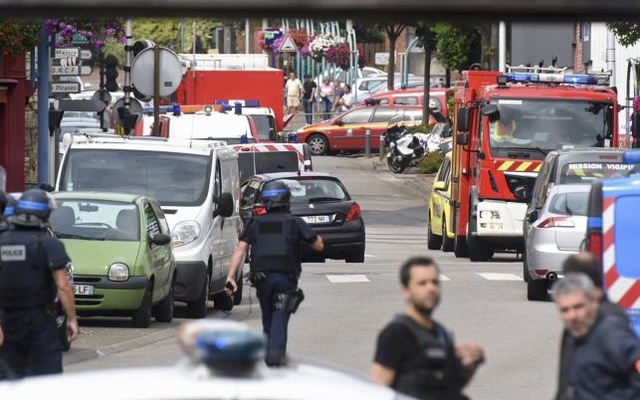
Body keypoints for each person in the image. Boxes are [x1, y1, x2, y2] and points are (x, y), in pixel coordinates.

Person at [224, 180, 324, 366]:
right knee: (280, 315)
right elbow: (318, 245)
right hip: (286, 279)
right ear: (286, 200)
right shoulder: (295, 222)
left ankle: (270, 355)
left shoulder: (255, 223)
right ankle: (275, 357)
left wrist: (231, 277)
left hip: (262, 281)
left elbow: (240, 250)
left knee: (268, 319)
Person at [371, 256, 485, 400]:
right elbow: (378, 391)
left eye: (435, 282)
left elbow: (448, 387)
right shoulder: (396, 334)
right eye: (422, 283)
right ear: (406, 290)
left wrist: (469, 365)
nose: (431, 288)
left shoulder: (441, 333)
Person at [0, 188, 79, 379]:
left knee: (9, 376)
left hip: (8, 321)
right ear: (45, 212)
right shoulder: (49, 244)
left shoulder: (3, 242)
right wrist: (72, 319)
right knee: (46, 378)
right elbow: (63, 286)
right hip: (40, 321)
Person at [552, 273, 640, 400]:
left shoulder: (612, 335)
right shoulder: (575, 337)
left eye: (578, 307)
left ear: (593, 302)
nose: (572, 316)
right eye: (565, 310)